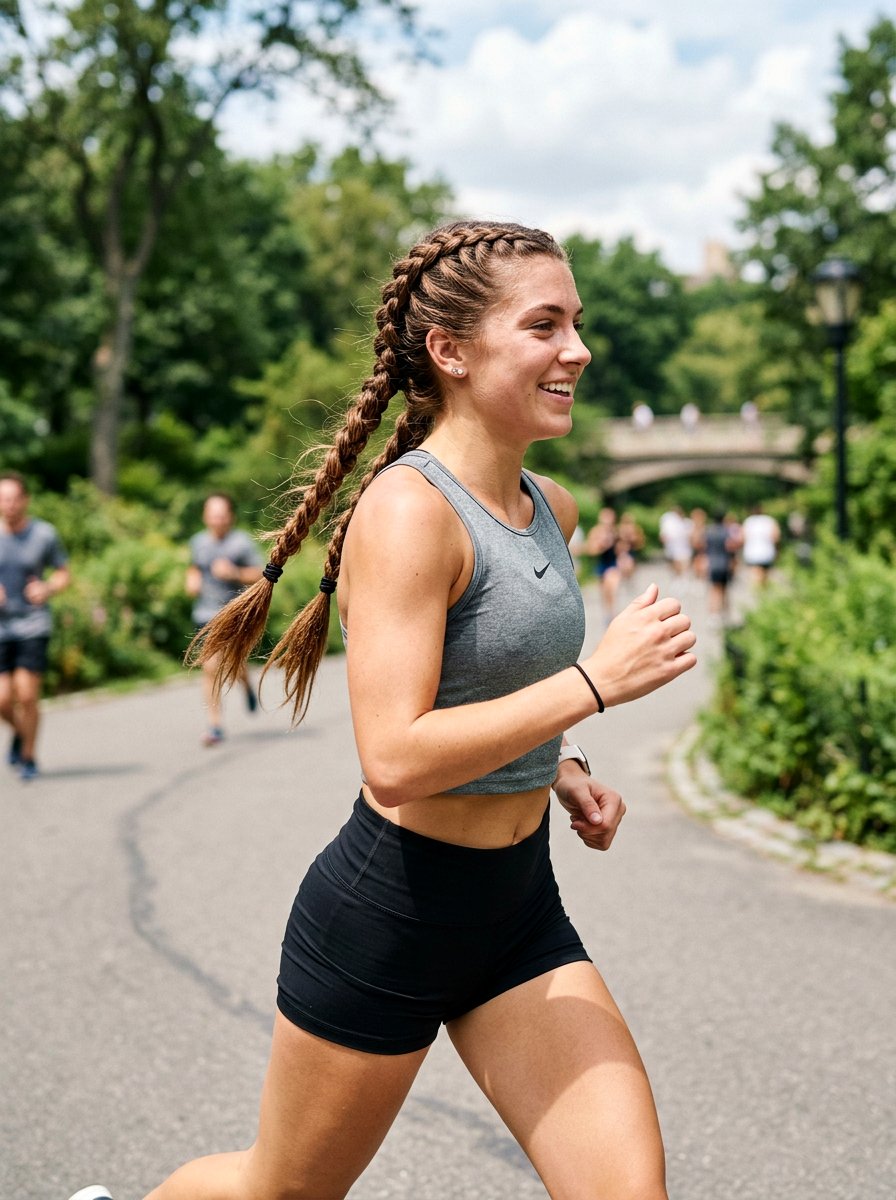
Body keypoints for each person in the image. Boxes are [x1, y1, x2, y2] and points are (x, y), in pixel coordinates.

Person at [70, 220, 696, 1200]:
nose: (576, 348)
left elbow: (487, 678)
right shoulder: (409, 514)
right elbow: (393, 757)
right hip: (392, 914)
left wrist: (561, 763)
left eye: (576, 322)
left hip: (517, 912)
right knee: (278, 1190)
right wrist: (593, 684)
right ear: (450, 351)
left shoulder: (552, 507)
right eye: (543, 324)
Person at [0, 471, 70, 781]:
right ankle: (20, 732)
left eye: (15, 498)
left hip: (33, 624)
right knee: (2, 699)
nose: (9, 505)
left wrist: (47, 588)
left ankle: (28, 756)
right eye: (3, 499)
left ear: (25, 500)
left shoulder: (44, 534)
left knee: (27, 695)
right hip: (1, 627)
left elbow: (63, 573)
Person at [186, 493, 264, 745]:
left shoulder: (241, 543)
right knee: (210, 667)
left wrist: (234, 573)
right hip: (205, 614)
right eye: (212, 514)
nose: (216, 519)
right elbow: (194, 567)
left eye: (221, 514)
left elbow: (261, 574)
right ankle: (214, 725)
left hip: (234, 614)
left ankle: (246, 684)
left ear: (230, 516)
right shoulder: (198, 542)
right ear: (205, 516)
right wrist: (192, 580)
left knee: (234, 664)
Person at [704, 508, 741, 624]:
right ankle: (725, 614)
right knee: (724, 590)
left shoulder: (709, 531)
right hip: (724, 563)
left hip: (712, 563)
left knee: (714, 590)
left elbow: (702, 546)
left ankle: (713, 615)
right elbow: (731, 547)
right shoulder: (726, 531)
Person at [585, 506, 622, 621]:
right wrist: (601, 546)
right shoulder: (595, 532)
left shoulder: (616, 532)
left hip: (613, 564)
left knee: (612, 587)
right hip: (601, 564)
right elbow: (590, 550)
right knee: (605, 591)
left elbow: (621, 548)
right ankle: (608, 611)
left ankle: (611, 612)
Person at [741, 501, 780, 587]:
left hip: (751, 552)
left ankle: (758, 592)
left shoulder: (748, 521)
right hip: (767, 552)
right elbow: (776, 537)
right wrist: (777, 550)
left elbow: (742, 538)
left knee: (756, 574)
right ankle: (763, 592)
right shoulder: (769, 520)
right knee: (765, 575)